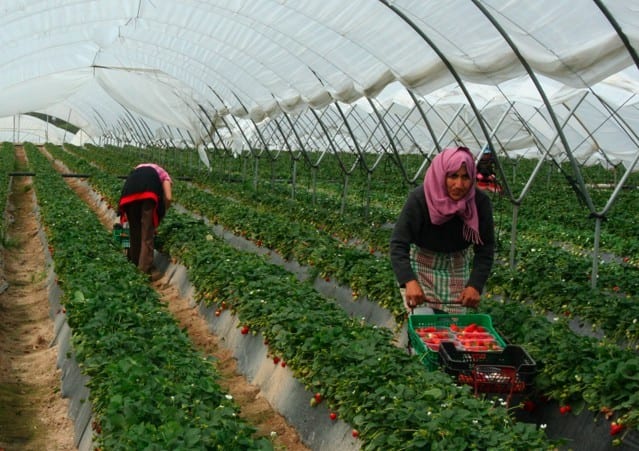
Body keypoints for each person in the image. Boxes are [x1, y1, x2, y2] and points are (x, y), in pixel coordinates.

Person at [390, 146, 495, 314]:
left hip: (457, 266)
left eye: (466, 177)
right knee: (424, 323)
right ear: (441, 175)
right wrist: (409, 281)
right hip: (422, 266)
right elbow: (398, 243)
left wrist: (475, 285)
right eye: (452, 176)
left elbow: (486, 248)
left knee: (454, 328)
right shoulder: (420, 199)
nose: (459, 185)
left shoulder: (479, 203)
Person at [118, 163, 172, 276]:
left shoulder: (138, 168)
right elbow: (168, 197)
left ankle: (133, 263)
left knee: (134, 232)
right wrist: (162, 212)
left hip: (128, 196)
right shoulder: (165, 175)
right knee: (147, 234)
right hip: (148, 196)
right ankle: (144, 271)